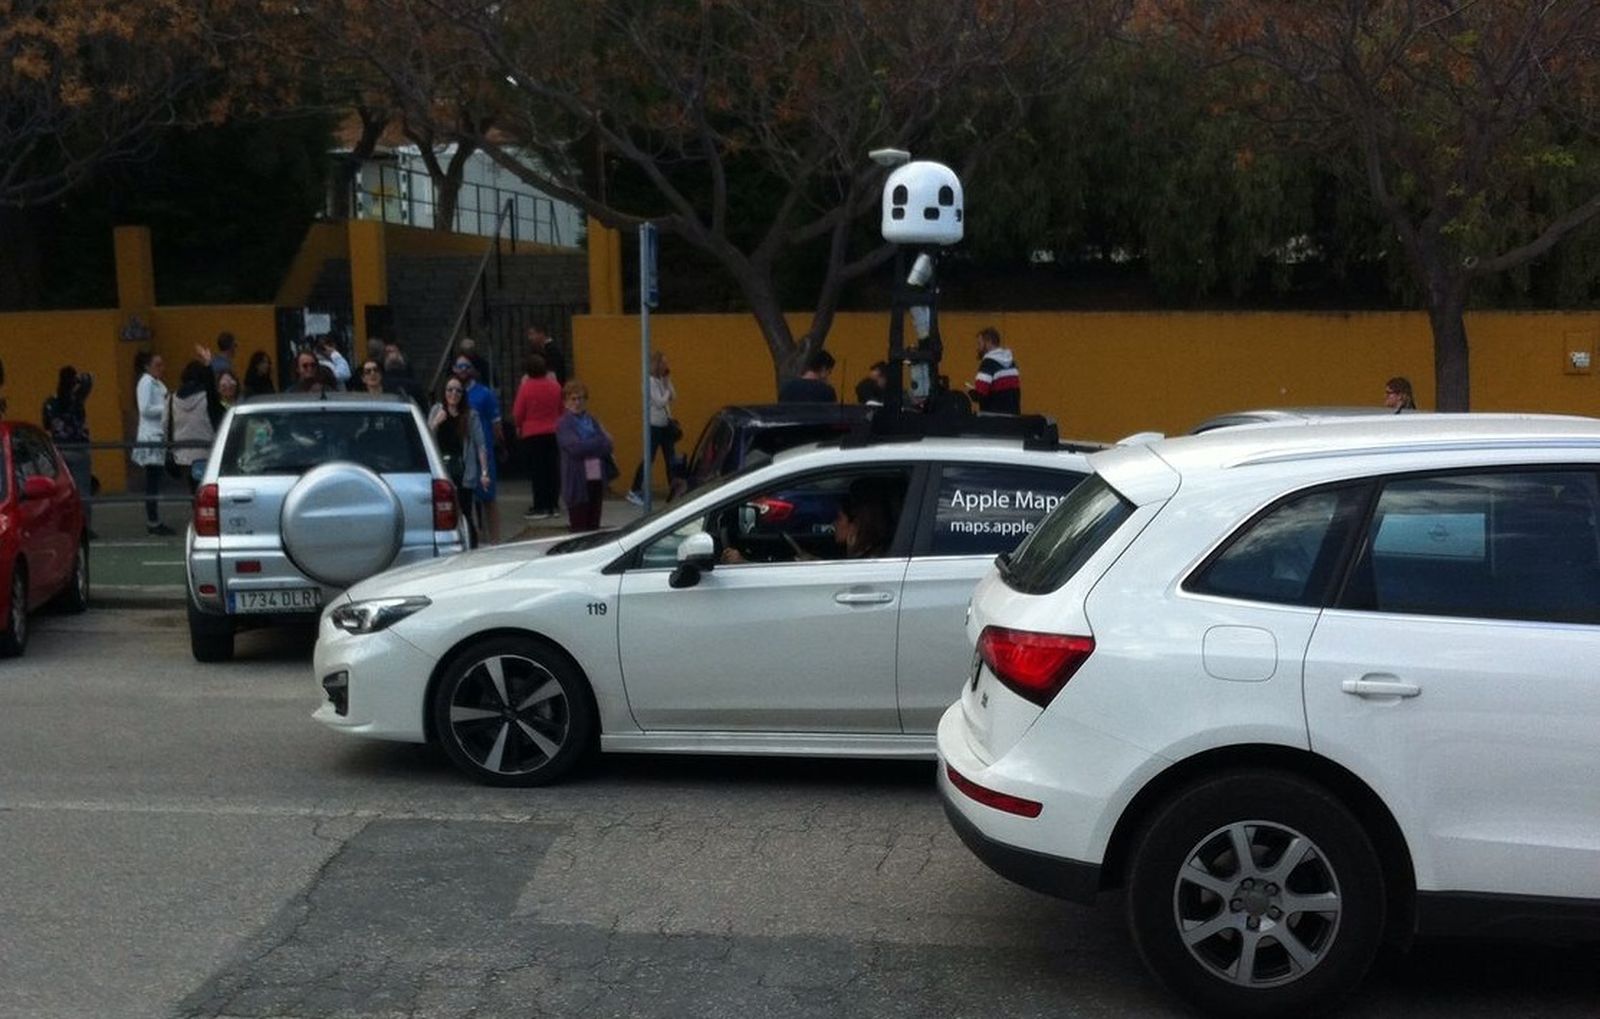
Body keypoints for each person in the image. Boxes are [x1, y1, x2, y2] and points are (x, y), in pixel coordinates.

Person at [722, 477, 894, 564]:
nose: (834, 523)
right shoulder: (865, 555)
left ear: (856, 525)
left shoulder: (871, 562)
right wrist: (812, 560)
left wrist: (744, 563)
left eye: (839, 519)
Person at [428, 376, 490, 548]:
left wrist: (484, 472)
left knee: (465, 511)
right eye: (450, 390)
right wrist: (435, 423)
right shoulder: (436, 410)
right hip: (442, 469)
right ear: (444, 392)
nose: (453, 394)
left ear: (463, 394)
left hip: (463, 469)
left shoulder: (470, 416)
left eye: (458, 390)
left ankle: (471, 546)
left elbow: (481, 445)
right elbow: (426, 438)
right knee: (445, 511)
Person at [454, 356, 506, 544]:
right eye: (459, 366)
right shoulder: (454, 394)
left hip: (483, 450)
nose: (462, 370)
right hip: (462, 453)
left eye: (466, 366)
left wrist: (500, 445)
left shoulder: (485, 394)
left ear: (473, 369)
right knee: (464, 499)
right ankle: (474, 537)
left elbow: (496, 425)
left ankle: (495, 540)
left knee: (488, 497)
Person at [556, 380, 614, 533]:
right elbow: (575, 448)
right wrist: (597, 442)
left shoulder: (591, 420)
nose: (577, 402)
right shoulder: (564, 423)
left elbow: (608, 445)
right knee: (579, 522)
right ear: (566, 401)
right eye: (573, 399)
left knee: (594, 518)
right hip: (576, 476)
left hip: (594, 471)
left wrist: (591, 443)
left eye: (581, 398)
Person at [43, 365, 95, 535]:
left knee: (62, 491)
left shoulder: (50, 403)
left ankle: (63, 526)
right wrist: (79, 379)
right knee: (82, 491)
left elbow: (46, 425)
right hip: (79, 449)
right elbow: (90, 379)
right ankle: (84, 527)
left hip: (59, 450)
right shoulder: (76, 400)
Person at [512, 352, 563, 520]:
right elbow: (561, 409)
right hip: (553, 432)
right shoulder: (555, 386)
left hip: (532, 434)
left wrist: (519, 426)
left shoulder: (526, 387)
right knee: (552, 470)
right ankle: (553, 505)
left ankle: (540, 505)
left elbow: (518, 412)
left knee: (537, 471)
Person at [628, 349, 679, 505]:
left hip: (665, 425)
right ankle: (634, 490)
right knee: (649, 458)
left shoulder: (660, 381)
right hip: (654, 425)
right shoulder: (648, 381)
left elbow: (674, 396)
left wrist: (667, 382)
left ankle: (675, 490)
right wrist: (666, 394)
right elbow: (659, 402)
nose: (666, 365)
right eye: (664, 362)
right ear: (657, 364)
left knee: (670, 458)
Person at [132, 351, 174, 535]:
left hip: (158, 435)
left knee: (155, 480)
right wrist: (166, 407)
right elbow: (145, 409)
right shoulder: (146, 382)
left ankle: (154, 518)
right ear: (147, 366)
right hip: (151, 437)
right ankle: (153, 521)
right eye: (157, 365)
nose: (161, 368)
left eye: (162, 364)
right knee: (152, 481)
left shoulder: (156, 383)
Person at [169, 360, 218, 493]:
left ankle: (195, 509)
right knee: (206, 488)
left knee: (192, 490)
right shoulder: (208, 397)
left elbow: (165, 424)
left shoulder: (171, 399)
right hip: (205, 450)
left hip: (181, 453)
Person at [966, 326, 1021, 414]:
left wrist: (970, 392)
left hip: (993, 419)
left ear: (988, 343)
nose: (978, 348)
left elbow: (980, 394)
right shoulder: (1012, 364)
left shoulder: (988, 364)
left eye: (980, 344)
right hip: (1013, 418)